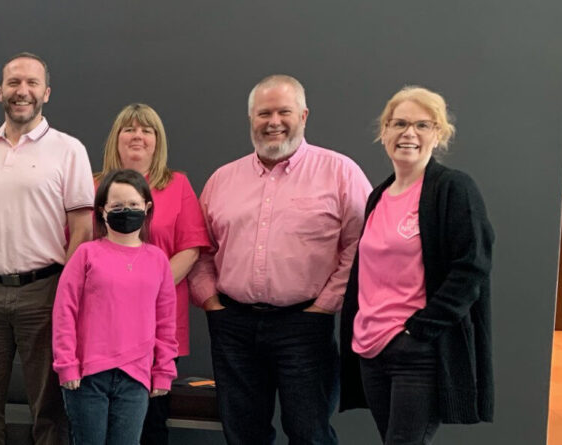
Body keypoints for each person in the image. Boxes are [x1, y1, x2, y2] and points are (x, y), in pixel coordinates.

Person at [189, 74, 371, 445]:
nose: (273, 122)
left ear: (303, 115)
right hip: (233, 325)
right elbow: (199, 248)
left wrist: (325, 305)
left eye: (284, 111)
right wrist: (210, 302)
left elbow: (361, 245)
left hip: (304, 326)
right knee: (242, 433)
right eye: (263, 113)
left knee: (310, 433)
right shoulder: (223, 179)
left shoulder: (340, 173)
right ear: (251, 119)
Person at [0, 52, 94, 444]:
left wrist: (64, 290)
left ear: (46, 92)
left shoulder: (69, 150)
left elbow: (82, 228)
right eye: (13, 83)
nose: (22, 91)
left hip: (44, 293)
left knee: (49, 409)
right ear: (0, 92)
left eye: (31, 83)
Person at [339, 86, 495, 444]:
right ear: (384, 132)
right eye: (399, 124)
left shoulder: (452, 188)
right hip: (370, 349)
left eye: (423, 125)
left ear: (438, 135)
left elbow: (473, 266)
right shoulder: (379, 195)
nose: (409, 133)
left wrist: (420, 331)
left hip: (417, 351)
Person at [94, 103, 209, 444]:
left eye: (147, 130)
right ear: (116, 138)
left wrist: (143, 292)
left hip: (157, 321)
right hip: (103, 324)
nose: (138, 136)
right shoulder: (94, 185)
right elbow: (82, 249)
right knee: (100, 418)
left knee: (150, 420)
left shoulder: (178, 185)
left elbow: (190, 249)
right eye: (129, 129)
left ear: (158, 141)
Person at [55, 169, 177, 445]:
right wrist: (67, 364)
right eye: (117, 206)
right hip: (88, 376)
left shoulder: (158, 260)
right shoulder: (86, 254)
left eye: (133, 205)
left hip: (136, 377)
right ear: (102, 211)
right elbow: (65, 311)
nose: (126, 211)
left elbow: (166, 322)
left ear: (147, 207)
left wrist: (164, 371)